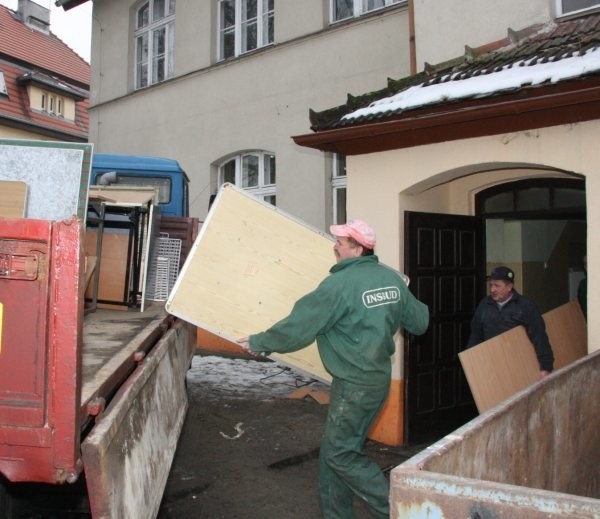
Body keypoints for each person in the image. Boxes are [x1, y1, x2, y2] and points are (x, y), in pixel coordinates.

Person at [238, 219, 429, 518]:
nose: (335, 246)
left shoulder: (338, 285)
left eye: (340, 241)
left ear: (356, 247)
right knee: (334, 453)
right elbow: (420, 322)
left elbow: (299, 326)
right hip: (377, 381)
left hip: (354, 386)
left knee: (341, 454)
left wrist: (259, 341)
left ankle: (400, 511)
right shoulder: (390, 280)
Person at [467, 266, 554, 377]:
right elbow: (476, 335)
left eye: (497, 286)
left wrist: (546, 367)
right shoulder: (485, 305)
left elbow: (540, 338)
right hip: (491, 368)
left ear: (509, 287)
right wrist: (471, 362)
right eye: (491, 285)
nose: (492, 290)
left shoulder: (526, 307)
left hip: (517, 368)